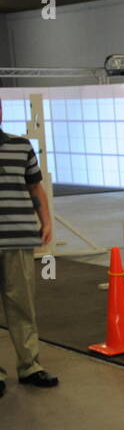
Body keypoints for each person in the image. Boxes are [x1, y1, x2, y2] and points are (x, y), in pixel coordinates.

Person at [0, 103, 58, 397]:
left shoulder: (21, 147)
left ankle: (30, 367)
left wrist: (45, 221)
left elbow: (36, 188)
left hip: (18, 238)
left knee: (22, 305)